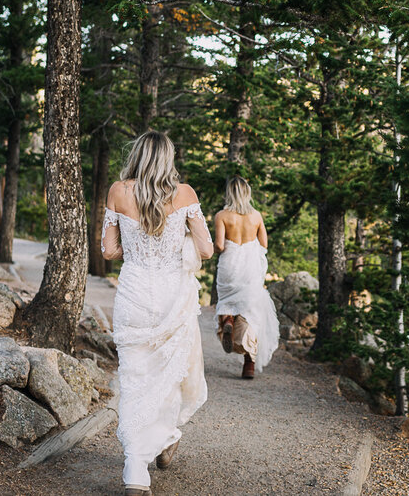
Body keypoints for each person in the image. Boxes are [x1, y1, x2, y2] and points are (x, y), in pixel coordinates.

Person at [101, 131, 214, 496]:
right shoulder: (185, 194)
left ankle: (137, 468)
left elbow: (108, 252)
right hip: (171, 295)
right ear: (168, 157)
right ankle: (166, 438)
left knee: (136, 378)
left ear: (136, 155)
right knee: (169, 374)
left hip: (133, 293)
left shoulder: (118, 191)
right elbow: (207, 250)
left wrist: (136, 249)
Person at [213, 176, 279, 379]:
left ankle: (228, 321)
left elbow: (220, 245)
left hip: (230, 264)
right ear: (247, 193)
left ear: (229, 193)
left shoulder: (222, 215)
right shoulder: (256, 216)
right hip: (250, 267)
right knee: (251, 312)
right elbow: (264, 243)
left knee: (227, 301)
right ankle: (249, 365)